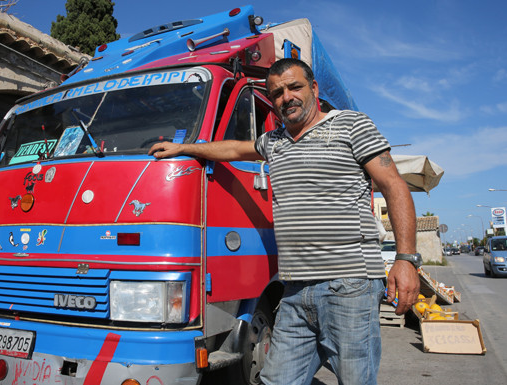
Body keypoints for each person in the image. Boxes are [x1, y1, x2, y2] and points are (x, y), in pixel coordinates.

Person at [149, 58, 420, 385]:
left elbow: (394, 185)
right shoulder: (274, 142)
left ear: (314, 89)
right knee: (276, 380)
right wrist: (184, 147)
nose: (285, 97)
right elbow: (235, 149)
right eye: (276, 93)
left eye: (295, 87)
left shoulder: (350, 125)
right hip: (295, 291)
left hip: (348, 284)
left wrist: (406, 259)